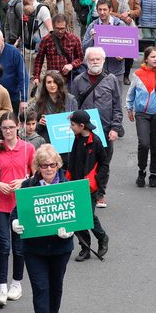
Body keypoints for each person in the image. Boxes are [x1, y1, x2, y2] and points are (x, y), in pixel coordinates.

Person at [11, 145, 75, 313]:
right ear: (38, 166)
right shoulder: (28, 186)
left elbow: (78, 214)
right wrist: (15, 223)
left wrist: (71, 229)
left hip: (60, 247)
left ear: (58, 165)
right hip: (34, 248)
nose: (49, 169)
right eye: (44, 165)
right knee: (40, 288)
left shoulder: (68, 185)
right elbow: (16, 212)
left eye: (52, 165)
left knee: (56, 285)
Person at [0, 112, 35, 307]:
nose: (8, 131)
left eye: (11, 127)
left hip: (21, 205)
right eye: (4, 128)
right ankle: (2, 287)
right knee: (3, 245)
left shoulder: (28, 148)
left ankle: (17, 284)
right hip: (0, 204)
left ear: (18, 127)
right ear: (0, 129)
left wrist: (24, 181)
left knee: (19, 247)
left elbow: (37, 175)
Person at [70, 47, 122, 209]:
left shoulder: (111, 79)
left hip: (105, 130)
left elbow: (117, 106)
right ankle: (83, 193)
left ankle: (100, 194)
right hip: (84, 132)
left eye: (98, 59)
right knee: (83, 163)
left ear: (103, 61)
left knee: (103, 164)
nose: (95, 62)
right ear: (86, 61)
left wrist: (115, 127)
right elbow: (73, 105)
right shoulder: (78, 80)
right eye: (91, 59)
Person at [66, 110, 109, 262]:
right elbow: (72, 161)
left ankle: (102, 237)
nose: (70, 127)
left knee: (88, 216)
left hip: (89, 187)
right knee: (77, 217)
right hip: (76, 184)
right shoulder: (77, 139)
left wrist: (97, 180)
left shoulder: (95, 141)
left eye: (72, 125)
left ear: (82, 125)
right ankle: (85, 248)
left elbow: (104, 163)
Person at [126, 46, 156, 188]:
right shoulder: (138, 74)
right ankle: (141, 171)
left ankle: (153, 174)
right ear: (146, 59)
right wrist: (129, 108)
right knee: (144, 143)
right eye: (153, 57)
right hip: (141, 115)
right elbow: (131, 93)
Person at [31, 14, 83, 88]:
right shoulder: (46, 40)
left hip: (69, 79)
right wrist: (36, 77)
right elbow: (39, 60)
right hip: (52, 79)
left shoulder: (74, 39)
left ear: (66, 26)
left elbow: (81, 58)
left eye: (63, 28)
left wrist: (71, 65)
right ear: (52, 26)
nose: (60, 31)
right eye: (57, 28)